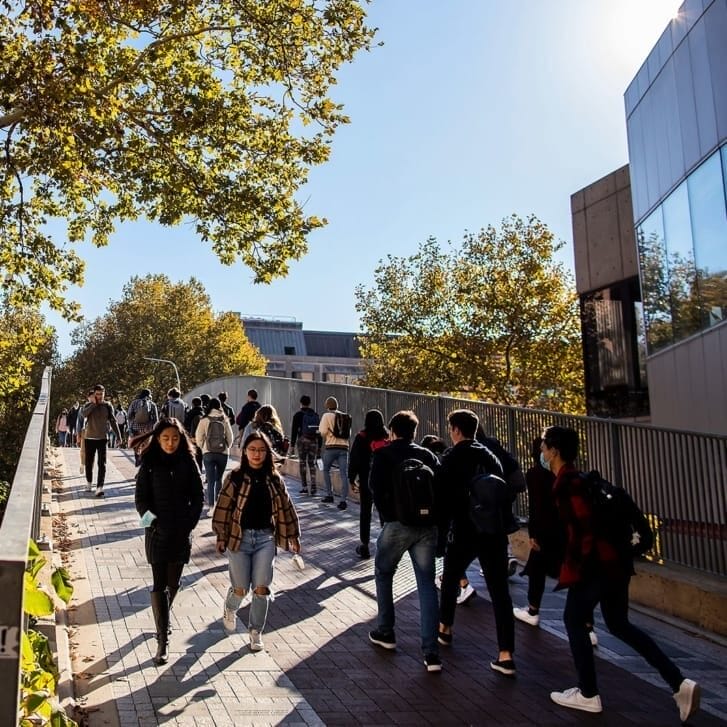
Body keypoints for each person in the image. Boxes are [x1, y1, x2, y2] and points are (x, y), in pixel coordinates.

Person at [543, 426, 700, 721]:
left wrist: (573, 568)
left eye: (543, 447)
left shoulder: (566, 484)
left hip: (593, 567)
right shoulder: (586, 481)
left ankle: (588, 693)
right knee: (618, 624)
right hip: (616, 565)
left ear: (554, 450)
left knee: (573, 620)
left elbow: (583, 530)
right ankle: (678, 683)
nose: (541, 452)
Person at [436, 409, 518, 677]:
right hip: (493, 531)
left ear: (456, 430)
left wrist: (442, 532)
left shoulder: (451, 457)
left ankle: (445, 628)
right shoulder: (490, 455)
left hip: (464, 529)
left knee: (450, 578)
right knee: (500, 592)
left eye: (451, 428)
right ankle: (506, 654)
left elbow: (443, 498)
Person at [368, 410, 443, 672]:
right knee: (426, 584)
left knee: (384, 572)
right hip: (426, 526)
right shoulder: (428, 455)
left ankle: (386, 630)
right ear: (415, 431)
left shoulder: (384, 454)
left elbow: (374, 487)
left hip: (397, 524)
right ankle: (431, 652)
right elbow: (440, 490)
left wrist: (389, 515)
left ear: (392, 431)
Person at [212, 431, 301, 652]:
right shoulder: (235, 477)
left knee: (262, 588)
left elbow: (287, 508)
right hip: (239, 538)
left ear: (267, 453)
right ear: (244, 452)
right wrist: (221, 536)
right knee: (241, 588)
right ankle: (230, 607)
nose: (257, 454)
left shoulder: (274, 478)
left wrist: (293, 536)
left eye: (261, 450)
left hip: (265, 538)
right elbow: (223, 508)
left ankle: (255, 631)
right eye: (252, 449)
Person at [134, 418, 204, 665]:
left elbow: (198, 496)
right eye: (165, 438)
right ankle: (163, 639)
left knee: (173, 583)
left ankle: (161, 616)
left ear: (181, 438)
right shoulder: (149, 463)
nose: (170, 443)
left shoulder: (188, 461)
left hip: (181, 531)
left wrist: (190, 523)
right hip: (156, 533)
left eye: (175, 438)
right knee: (159, 583)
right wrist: (151, 524)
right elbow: (140, 500)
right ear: (158, 439)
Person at [348, 409, 389, 559]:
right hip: (384, 481)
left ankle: (364, 545)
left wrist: (352, 478)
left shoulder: (362, 436)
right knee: (384, 513)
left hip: (366, 480)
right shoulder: (387, 437)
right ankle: (387, 545)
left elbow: (354, 459)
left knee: (365, 512)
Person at [194, 397, 234, 513]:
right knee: (219, 479)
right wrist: (227, 447)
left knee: (210, 481)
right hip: (222, 452)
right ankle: (218, 506)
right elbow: (230, 437)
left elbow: (198, 437)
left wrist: (203, 448)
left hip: (208, 453)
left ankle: (211, 506)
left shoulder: (204, 419)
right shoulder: (224, 419)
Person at [81, 384, 122, 497]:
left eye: (101, 394)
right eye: (97, 394)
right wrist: (93, 404)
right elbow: (83, 414)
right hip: (89, 438)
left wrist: (119, 436)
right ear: (94, 394)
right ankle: (89, 483)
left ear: (104, 394)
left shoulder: (108, 406)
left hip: (103, 438)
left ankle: (99, 487)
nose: (99, 396)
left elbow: (113, 421)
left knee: (102, 464)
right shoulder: (88, 405)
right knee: (89, 463)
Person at [318, 396, 350, 509]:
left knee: (326, 469)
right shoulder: (344, 416)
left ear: (327, 406)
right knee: (343, 474)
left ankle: (329, 495)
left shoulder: (326, 416)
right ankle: (343, 500)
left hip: (331, 447)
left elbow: (322, 432)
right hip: (344, 448)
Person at [289, 395, 321, 496]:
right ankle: (314, 486)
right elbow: (318, 431)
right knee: (311, 464)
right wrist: (319, 445)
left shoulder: (297, 415)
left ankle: (304, 487)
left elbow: (294, 431)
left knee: (302, 463)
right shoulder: (315, 415)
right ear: (309, 403)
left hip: (302, 441)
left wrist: (292, 445)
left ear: (301, 403)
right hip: (313, 441)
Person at [128, 389, 159, 466]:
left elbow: (129, 416)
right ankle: (143, 465)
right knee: (145, 449)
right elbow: (156, 419)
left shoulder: (134, 403)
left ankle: (137, 459)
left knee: (137, 447)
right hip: (147, 431)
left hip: (135, 429)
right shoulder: (152, 404)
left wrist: (131, 425)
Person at [184, 396, 206, 471]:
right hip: (202, 437)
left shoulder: (191, 413)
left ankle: (194, 470)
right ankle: (199, 469)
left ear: (193, 404)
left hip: (192, 437)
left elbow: (186, 424)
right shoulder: (204, 413)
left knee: (193, 454)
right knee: (200, 455)